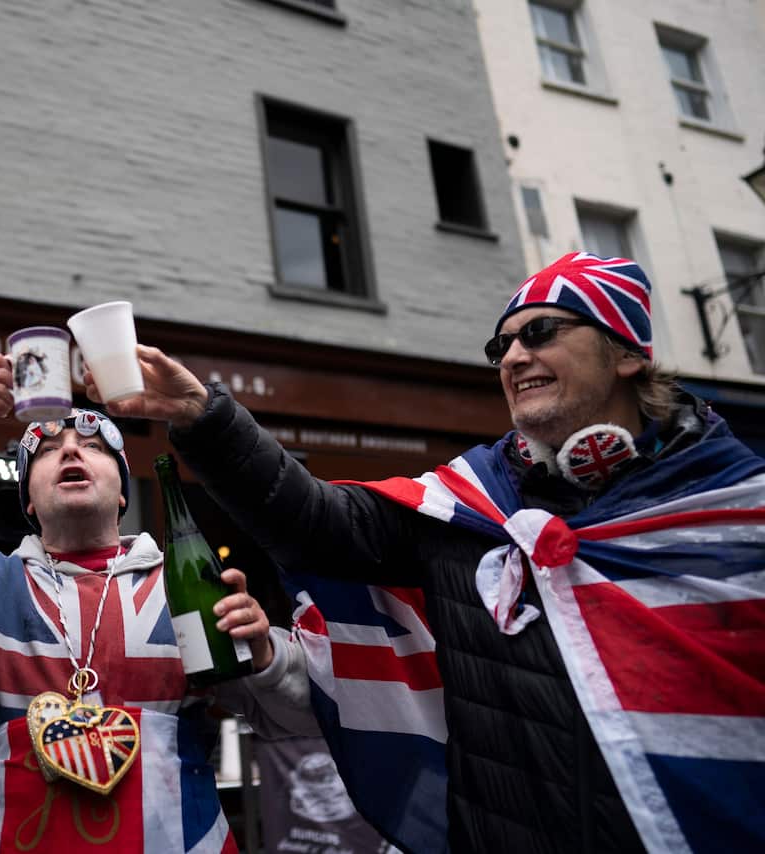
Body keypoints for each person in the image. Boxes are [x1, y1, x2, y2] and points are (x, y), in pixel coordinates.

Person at [91, 252, 765, 853]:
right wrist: (206, 419)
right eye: (499, 346)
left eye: (540, 332)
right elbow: (317, 524)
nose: (513, 358)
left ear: (627, 352)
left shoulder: (738, 510)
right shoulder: (470, 503)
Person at [0, 352, 315, 853]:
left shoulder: (181, 585)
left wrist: (264, 657)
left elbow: (300, 716)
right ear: (28, 500)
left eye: (93, 446)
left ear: (122, 492)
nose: (71, 451)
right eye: (49, 450)